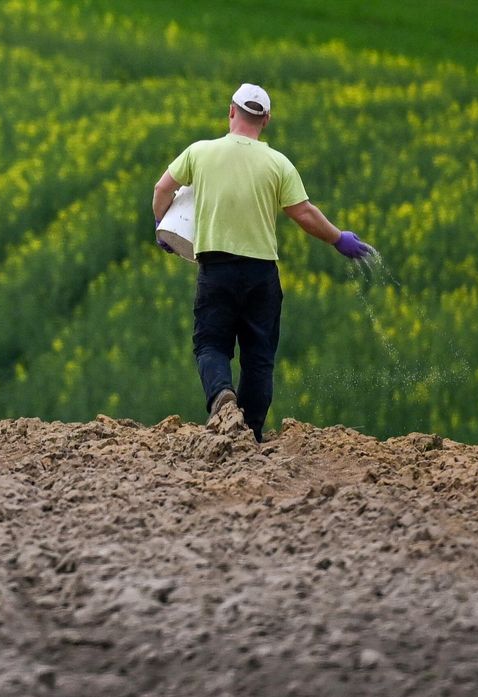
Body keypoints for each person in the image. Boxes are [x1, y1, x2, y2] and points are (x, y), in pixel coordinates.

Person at [152, 83, 373, 442]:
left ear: (231, 111)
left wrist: (164, 229)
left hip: (216, 268)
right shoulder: (278, 163)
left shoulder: (200, 152)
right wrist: (338, 239)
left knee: (211, 344)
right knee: (259, 356)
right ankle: (250, 433)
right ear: (266, 119)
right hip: (261, 274)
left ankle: (222, 400)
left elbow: (163, 189)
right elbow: (303, 213)